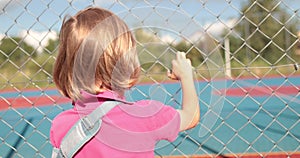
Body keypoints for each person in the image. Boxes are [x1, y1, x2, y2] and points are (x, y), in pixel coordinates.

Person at [50, 7, 199, 158]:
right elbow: (190, 117)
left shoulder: (61, 125)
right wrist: (186, 75)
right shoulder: (146, 116)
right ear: (125, 62)